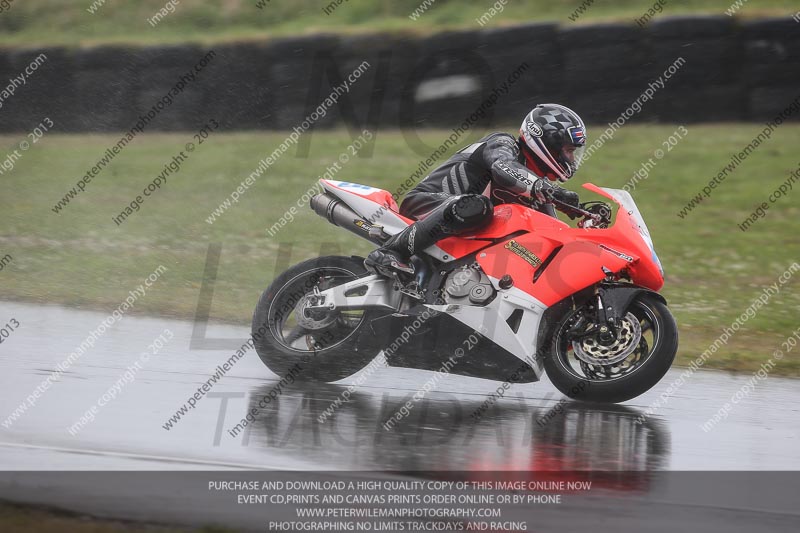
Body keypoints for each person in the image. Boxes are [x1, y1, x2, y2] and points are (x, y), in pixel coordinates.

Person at [364, 103, 587, 277]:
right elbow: (503, 167)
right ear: (546, 141)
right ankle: (390, 252)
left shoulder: (536, 186)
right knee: (476, 206)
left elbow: (553, 234)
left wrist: (584, 224)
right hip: (426, 203)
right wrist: (547, 189)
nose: (571, 159)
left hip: (461, 230)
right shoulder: (503, 143)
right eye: (568, 150)